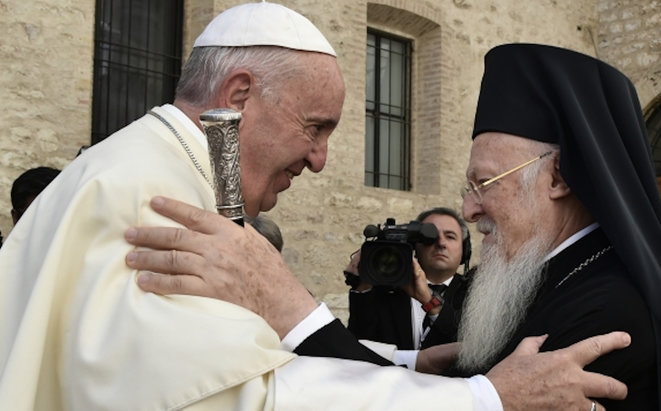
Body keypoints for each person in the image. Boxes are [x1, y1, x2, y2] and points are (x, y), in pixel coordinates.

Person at [0, 4, 628, 410]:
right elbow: (244, 399)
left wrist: (407, 362)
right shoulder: (152, 198)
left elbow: (240, 362)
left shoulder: (151, 169)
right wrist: (485, 401)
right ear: (240, 95)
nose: (321, 160)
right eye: (316, 127)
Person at [450, 43, 661, 410]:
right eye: (469, 187)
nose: (468, 209)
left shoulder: (606, 314)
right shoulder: (527, 281)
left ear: (558, 177)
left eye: (486, 183)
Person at [347, 207, 472, 350]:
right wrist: (362, 284)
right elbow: (358, 348)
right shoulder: (384, 293)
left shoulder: (477, 294)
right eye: (430, 237)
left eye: (450, 236)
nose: (441, 243)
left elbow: (473, 347)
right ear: (414, 247)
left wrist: (429, 301)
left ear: (465, 250)